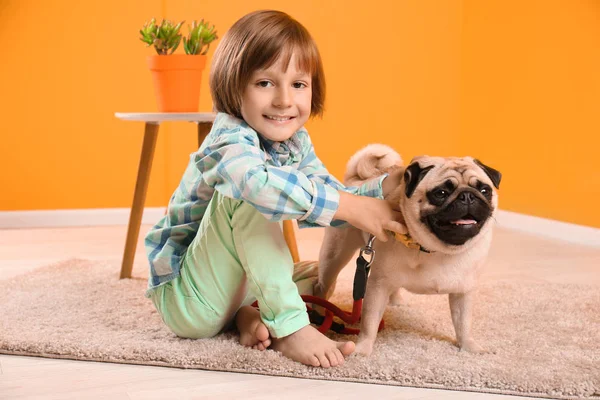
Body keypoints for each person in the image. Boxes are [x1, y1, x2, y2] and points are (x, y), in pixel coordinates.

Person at [144, 10, 405, 368]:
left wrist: (382, 190)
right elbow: (259, 186)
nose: (285, 100)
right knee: (254, 197)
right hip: (189, 298)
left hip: (231, 287)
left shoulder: (296, 142)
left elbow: (326, 193)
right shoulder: (227, 141)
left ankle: (246, 315)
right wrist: (350, 207)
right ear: (233, 87)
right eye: (265, 83)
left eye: (298, 84)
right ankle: (288, 325)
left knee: (316, 275)